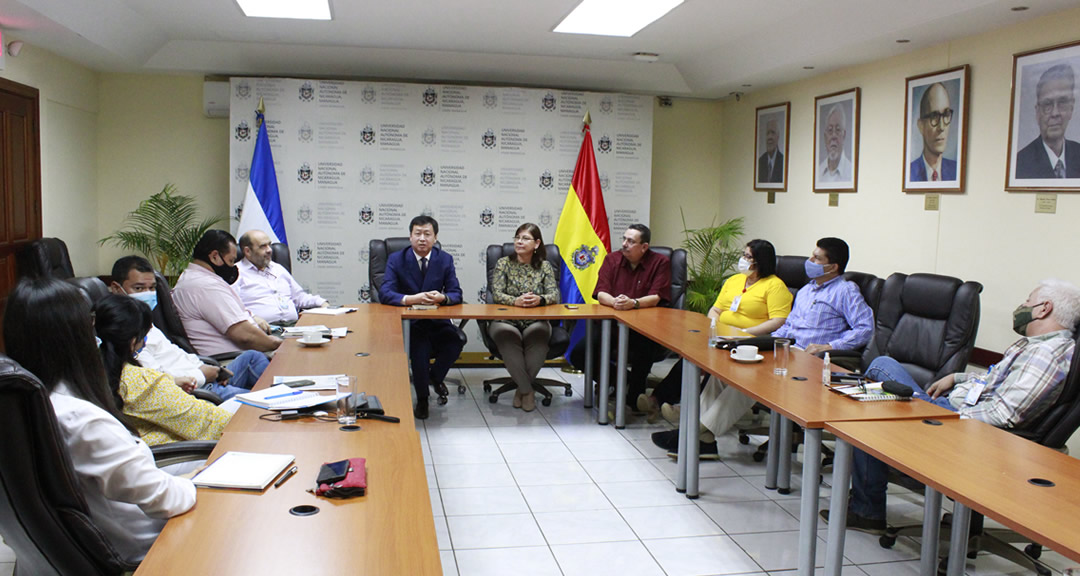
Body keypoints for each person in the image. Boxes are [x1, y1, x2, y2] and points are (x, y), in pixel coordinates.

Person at [828, 279, 1080, 534]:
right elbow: (996, 383)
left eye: (1028, 300)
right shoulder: (1034, 346)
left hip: (960, 426)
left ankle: (867, 510)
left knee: (881, 372)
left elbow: (1005, 414)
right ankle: (868, 507)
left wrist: (941, 413)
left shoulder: (1046, 354)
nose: (1022, 306)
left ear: (1043, 308)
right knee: (879, 403)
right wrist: (958, 378)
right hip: (956, 413)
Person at [3, 276, 196, 563]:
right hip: (152, 548)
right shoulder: (81, 420)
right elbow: (164, 500)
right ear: (75, 338)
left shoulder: (27, 405)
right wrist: (199, 482)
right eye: (90, 324)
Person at [648, 240, 793, 457]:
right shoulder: (735, 280)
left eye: (748, 256)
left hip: (753, 346)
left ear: (761, 261)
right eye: (743, 254)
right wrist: (715, 327)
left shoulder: (775, 286)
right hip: (724, 340)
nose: (743, 260)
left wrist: (746, 334)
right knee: (713, 376)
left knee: (742, 385)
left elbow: (778, 321)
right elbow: (715, 309)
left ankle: (691, 432)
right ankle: (704, 440)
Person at [109, 255, 268, 400]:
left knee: (252, 357)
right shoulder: (123, 332)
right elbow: (158, 382)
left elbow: (177, 354)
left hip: (203, 375)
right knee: (264, 402)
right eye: (138, 288)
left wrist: (208, 368)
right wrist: (202, 374)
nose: (148, 294)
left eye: (152, 288)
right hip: (196, 390)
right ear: (116, 288)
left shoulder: (145, 321)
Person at [95, 295, 232, 446]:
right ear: (134, 342)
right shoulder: (141, 381)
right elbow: (205, 423)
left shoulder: (91, 372)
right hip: (177, 454)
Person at [569, 224, 671, 412]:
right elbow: (600, 293)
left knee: (645, 348)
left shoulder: (660, 263)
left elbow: (656, 296)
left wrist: (634, 303)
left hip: (642, 327)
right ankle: (620, 380)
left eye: (631, 241)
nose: (624, 244)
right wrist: (615, 302)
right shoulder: (612, 260)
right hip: (611, 325)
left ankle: (635, 398)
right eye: (624, 239)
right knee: (579, 353)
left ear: (644, 247)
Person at [378, 215, 464, 420]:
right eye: (418, 234)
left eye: (427, 234)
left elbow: (456, 293)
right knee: (419, 351)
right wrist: (410, 299)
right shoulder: (397, 259)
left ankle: (434, 377)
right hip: (410, 324)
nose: (422, 239)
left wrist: (443, 298)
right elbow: (385, 293)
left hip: (436, 321)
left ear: (435, 238)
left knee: (456, 341)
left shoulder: (445, 259)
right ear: (410, 237)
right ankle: (423, 399)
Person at [172, 230, 282, 357]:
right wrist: (278, 344)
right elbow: (246, 337)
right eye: (231, 261)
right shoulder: (205, 286)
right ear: (214, 256)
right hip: (232, 360)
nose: (232, 267)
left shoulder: (194, 278)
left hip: (241, 355)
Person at [488, 223, 561, 412]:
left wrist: (540, 299)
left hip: (535, 320)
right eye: (517, 237)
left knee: (538, 336)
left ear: (536, 243)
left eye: (525, 238)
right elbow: (496, 294)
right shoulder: (503, 263)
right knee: (507, 336)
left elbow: (554, 295)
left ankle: (521, 389)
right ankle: (527, 391)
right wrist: (515, 301)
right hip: (505, 320)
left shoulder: (544, 266)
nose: (519, 242)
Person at [772, 237, 873, 357]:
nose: (810, 260)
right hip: (788, 352)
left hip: (813, 359)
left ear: (833, 267)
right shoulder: (805, 290)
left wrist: (830, 347)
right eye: (812, 255)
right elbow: (789, 325)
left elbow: (865, 328)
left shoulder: (845, 291)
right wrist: (770, 342)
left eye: (817, 258)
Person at [236, 229, 327, 326]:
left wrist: (322, 303)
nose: (269, 250)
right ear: (247, 251)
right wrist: (252, 317)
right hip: (261, 331)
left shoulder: (278, 268)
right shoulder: (236, 273)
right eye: (263, 246)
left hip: (293, 327)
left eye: (269, 244)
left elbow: (299, 297)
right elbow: (233, 308)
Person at [1016, 64, 1080, 179]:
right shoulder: (1020, 163)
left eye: (1062, 102)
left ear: (1071, 108)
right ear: (1037, 112)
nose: (1055, 113)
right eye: (1047, 104)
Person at [909, 82, 957, 182]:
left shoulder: (955, 170)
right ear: (921, 126)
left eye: (946, 115)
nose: (942, 127)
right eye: (934, 117)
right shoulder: (910, 173)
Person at [817, 104, 853, 183]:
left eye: (838, 130)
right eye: (830, 130)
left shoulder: (851, 171)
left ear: (844, 135)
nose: (833, 136)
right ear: (825, 136)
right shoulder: (818, 172)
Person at [758, 119, 784, 183]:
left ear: (778, 136)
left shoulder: (783, 161)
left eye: (773, 133)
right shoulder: (760, 161)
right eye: (768, 133)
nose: (770, 137)